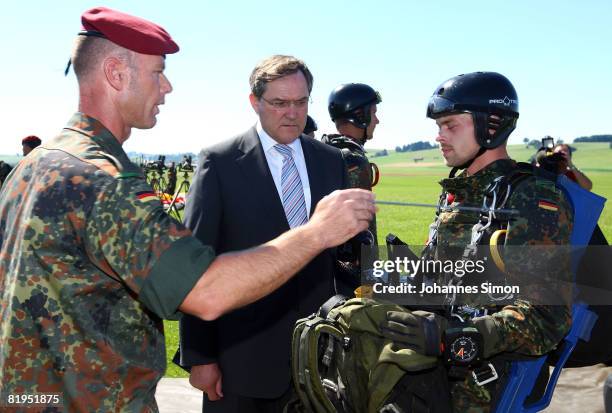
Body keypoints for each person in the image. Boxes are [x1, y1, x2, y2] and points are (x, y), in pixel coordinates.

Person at [0, 9, 374, 412]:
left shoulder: (36, 163)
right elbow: (204, 287)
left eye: (300, 102)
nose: (168, 87)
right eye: (157, 72)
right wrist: (316, 231)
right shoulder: (102, 180)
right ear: (116, 73)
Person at [380, 72, 573, 411]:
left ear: (491, 125)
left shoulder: (532, 199)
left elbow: (547, 316)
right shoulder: (460, 194)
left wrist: (459, 335)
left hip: (478, 382)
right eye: (438, 126)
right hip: (432, 368)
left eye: (450, 126)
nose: (439, 136)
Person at [174, 55, 350, 413]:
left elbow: (344, 258)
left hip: (319, 362)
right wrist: (200, 357)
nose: (292, 113)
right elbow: (194, 266)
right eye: (280, 103)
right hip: (241, 364)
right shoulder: (220, 162)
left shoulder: (332, 162)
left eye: (301, 102)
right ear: (255, 102)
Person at [322, 83, 382, 291]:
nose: (377, 120)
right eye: (373, 113)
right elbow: (361, 233)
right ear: (360, 115)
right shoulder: (353, 159)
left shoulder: (325, 150)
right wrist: (371, 275)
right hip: (349, 277)